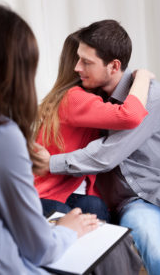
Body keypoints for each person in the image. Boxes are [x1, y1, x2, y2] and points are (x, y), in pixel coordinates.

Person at [35, 20, 160, 275]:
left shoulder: (149, 95)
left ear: (114, 65)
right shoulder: (90, 99)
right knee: (155, 246)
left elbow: (109, 152)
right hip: (133, 201)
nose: (76, 67)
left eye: (86, 62)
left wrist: (52, 162)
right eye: (77, 59)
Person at [0, 4, 100, 275]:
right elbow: (38, 248)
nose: (78, 67)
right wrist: (64, 232)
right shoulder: (1, 134)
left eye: (86, 61)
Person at [34, 31, 153, 220]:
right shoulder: (74, 98)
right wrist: (142, 77)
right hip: (47, 195)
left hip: (76, 194)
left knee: (94, 206)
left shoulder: (86, 100)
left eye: (87, 61)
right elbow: (130, 115)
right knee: (70, 218)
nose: (81, 66)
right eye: (82, 60)